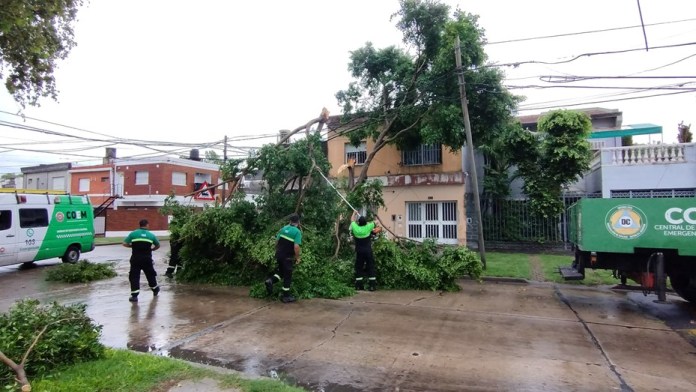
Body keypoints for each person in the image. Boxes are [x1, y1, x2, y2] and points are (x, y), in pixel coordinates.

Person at [264, 213, 302, 303]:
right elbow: (296, 247)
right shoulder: (297, 232)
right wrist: (298, 258)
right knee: (288, 275)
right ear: (298, 222)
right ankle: (286, 296)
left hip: (279, 255)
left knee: (281, 273)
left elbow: (276, 242)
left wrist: (277, 251)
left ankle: (270, 281)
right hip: (287, 257)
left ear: (290, 221)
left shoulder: (283, 228)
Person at [123, 219, 161, 302]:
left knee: (134, 276)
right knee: (150, 274)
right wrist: (152, 249)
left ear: (139, 225)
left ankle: (134, 296)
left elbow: (124, 243)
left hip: (135, 259)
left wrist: (132, 246)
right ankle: (155, 289)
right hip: (147, 259)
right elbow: (158, 245)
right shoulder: (151, 235)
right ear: (147, 225)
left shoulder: (133, 234)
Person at [350, 212, 381, 291]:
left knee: (359, 267)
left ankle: (359, 285)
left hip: (359, 252)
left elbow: (352, 220)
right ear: (365, 222)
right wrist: (369, 223)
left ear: (359, 222)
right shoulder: (368, 227)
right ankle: (372, 286)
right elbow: (377, 222)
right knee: (370, 266)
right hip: (368, 251)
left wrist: (354, 213)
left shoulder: (356, 228)